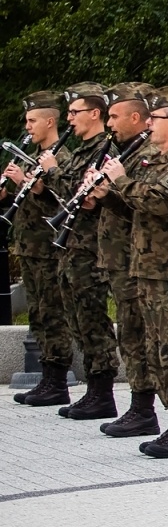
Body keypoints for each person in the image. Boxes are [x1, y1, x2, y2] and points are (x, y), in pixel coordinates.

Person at [101, 86, 168, 458]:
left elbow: (159, 203)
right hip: (146, 267)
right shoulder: (157, 159)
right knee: (155, 347)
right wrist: (108, 195)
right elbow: (137, 210)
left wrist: (119, 180)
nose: (149, 124)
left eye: (156, 119)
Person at [91, 82, 160, 437]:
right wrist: (102, 196)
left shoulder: (146, 154)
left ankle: (144, 408)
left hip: (139, 258)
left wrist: (116, 184)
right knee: (130, 334)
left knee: (136, 334)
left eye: (115, 115)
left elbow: (149, 206)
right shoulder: (125, 151)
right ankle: (140, 405)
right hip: (120, 257)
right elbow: (125, 206)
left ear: (137, 117)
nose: (109, 123)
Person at [51, 84, 122, 420]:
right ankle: (93, 390)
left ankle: (103, 392)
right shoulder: (82, 150)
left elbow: (77, 189)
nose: (69, 119)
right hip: (72, 245)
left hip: (91, 248)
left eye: (75, 112)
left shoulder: (104, 148)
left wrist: (51, 172)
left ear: (95, 113)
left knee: (93, 319)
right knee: (77, 318)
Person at [6, 91, 73, 406]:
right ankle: (47, 378)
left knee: (52, 312)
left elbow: (64, 200)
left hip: (49, 248)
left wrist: (25, 183)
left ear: (49, 122)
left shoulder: (61, 158)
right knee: (37, 313)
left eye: (32, 120)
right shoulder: (28, 157)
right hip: (29, 247)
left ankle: (57, 378)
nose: (27, 126)